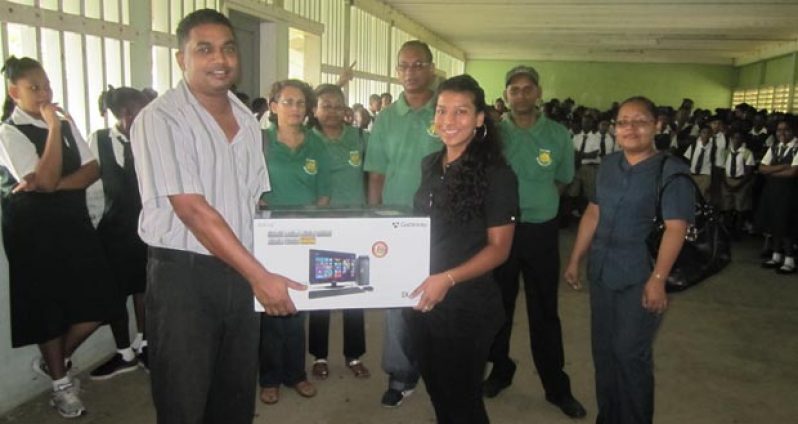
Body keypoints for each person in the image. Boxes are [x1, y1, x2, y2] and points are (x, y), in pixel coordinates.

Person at [130, 9, 303, 424]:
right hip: (185, 277)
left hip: (239, 270)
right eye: (203, 49)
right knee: (184, 396)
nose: (220, 59)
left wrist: (284, 254)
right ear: (181, 59)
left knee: (235, 391)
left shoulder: (246, 118)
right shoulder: (161, 118)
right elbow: (192, 210)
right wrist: (260, 276)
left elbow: (251, 203)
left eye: (227, 48)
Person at [0, 56, 119, 418]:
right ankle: (60, 385)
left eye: (47, 86)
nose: (44, 93)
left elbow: (92, 170)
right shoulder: (8, 132)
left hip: (72, 223)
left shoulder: (67, 124)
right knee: (46, 308)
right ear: (13, 91)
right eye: (34, 87)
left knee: (102, 301)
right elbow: (46, 174)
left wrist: (53, 187)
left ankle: (58, 362)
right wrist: (52, 128)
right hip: (32, 232)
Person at [564, 96, 694, 424]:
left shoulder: (671, 171)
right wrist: (575, 259)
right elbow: (593, 213)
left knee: (629, 354)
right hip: (603, 271)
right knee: (604, 353)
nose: (630, 128)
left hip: (641, 275)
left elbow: (677, 228)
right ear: (615, 128)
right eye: (623, 122)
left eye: (640, 121)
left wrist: (658, 280)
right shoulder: (608, 165)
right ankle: (608, 417)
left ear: (656, 126)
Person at [407, 74, 518, 424]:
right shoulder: (430, 164)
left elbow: (499, 249)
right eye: (441, 111)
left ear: (480, 118)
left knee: (463, 402)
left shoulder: (497, 175)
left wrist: (448, 278)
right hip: (424, 297)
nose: (448, 121)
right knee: (439, 391)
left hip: (466, 305)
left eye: (461, 112)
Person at [484, 65, 586, 419]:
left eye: (528, 89)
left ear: (538, 93)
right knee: (500, 307)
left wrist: (541, 203)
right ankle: (500, 369)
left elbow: (563, 180)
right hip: (502, 233)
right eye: (515, 89)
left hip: (541, 232)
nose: (522, 95)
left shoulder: (557, 134)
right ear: (506, 94)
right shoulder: (494, 134)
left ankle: (556, 387)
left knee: (545, 311)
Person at [363, 39, 442, 408]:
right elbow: (376, 172)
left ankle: (442, 367)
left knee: (440, 294)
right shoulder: (386, 117)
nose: (410, 72)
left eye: (418, 64)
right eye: (404, 66)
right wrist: (373, 218)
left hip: (442, 222)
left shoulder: (444, 112)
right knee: (397, 299)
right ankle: (401, 373)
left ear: (431, 68)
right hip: (395, 222)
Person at [258, 79, 330, 404]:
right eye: (288, 102)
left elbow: (324, 193)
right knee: (271, 306)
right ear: (273, 107)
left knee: (298, 304)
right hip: (269, 234)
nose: (295, 109)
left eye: (301, 103)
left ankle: (296, 374)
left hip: (304, 235)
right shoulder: (260, 142)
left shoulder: (318, 145)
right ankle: (269, 378)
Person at [305, 83, 371, 381]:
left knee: (356, 290)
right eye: (324, 105)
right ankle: (319, 355)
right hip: (320, 227)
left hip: (356, 224)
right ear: (315, 110)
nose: (331, 111)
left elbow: (374, 175)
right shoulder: (306, 140)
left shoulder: (359, 138)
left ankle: (354, 355)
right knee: (322, 291)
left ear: (346, 109)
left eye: (336, 105)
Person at [86, 86, 151, 380]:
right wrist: (93, 227)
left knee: (145, 288)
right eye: (140, 113)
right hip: (112, 231)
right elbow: (93, 192)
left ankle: (146, 344)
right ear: (124, 114)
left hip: (146, 229)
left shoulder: (150, 140)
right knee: (115, 294)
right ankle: (124, 351)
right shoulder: (97, 141)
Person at [756, 120, 798, 274]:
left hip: (790, 193)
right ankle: (776, 255)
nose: (782, 133)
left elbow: (793, 172)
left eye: (786, 130)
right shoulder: (774, 147)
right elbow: (761, 168)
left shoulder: (796, 148)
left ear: (794, 131)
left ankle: (790, 260)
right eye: (779, 130)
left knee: (787, 225)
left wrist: (772, 171)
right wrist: (782, 167)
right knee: (774, 223)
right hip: (772, 191)